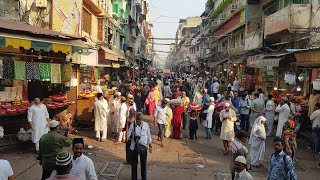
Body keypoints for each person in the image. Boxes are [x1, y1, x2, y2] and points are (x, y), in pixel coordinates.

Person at [128, 112, 152, 180]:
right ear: (135, 118)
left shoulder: (146, 125)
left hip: (143, 147)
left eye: (140, 119)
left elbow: (149, 136)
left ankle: (144, 178)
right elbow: (128, 137)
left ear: (142, 119)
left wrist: (150, 145)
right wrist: (131, 135)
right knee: (134, 165)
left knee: (143, 165)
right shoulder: (132, 125)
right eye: (137, 119)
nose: (138, 121)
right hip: (134, 148)